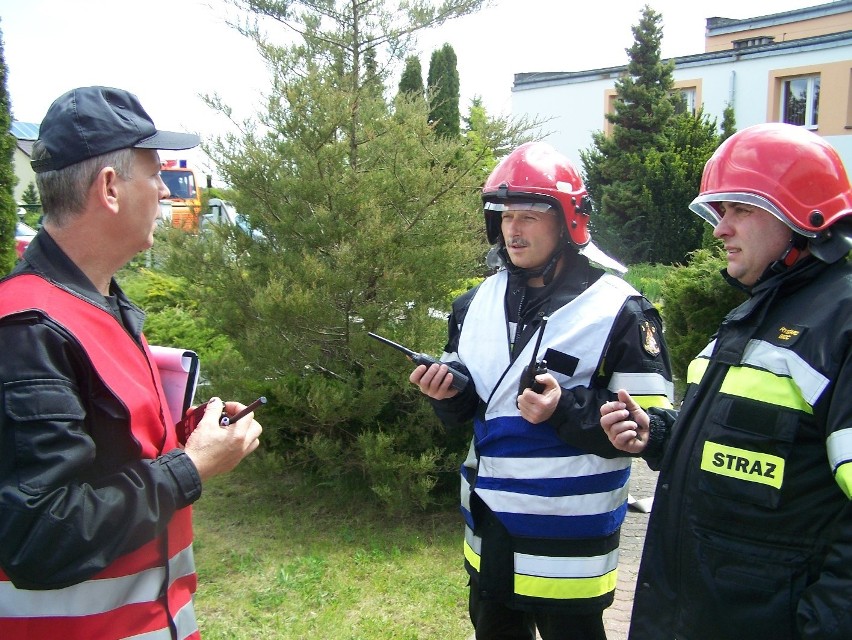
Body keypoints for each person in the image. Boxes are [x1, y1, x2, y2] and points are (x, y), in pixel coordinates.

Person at [0, 86, 262, 640]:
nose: (165, 191)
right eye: (155, 174)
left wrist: (189, 437)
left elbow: (107, 448)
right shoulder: (27, 329)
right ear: (111, 188)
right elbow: (36, 534)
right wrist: (191, 468)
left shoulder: (98, 303)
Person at [410, 141, 674, 640]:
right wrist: (448, 395)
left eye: (530, 214)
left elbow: (654, 430)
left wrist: (563, 410)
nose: (513, 228)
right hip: (491, 530)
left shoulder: (622, 311)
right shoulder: (471, 305)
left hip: (568, 540)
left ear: (567, 221)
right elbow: (474, 411)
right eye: (506, 215)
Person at [600, 122, 852, 640]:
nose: (719, 229)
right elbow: (754, 452)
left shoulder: (841, 325)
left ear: (801, 215)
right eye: (719, 212)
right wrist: (664, 435)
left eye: (740, 209)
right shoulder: (756, 314)